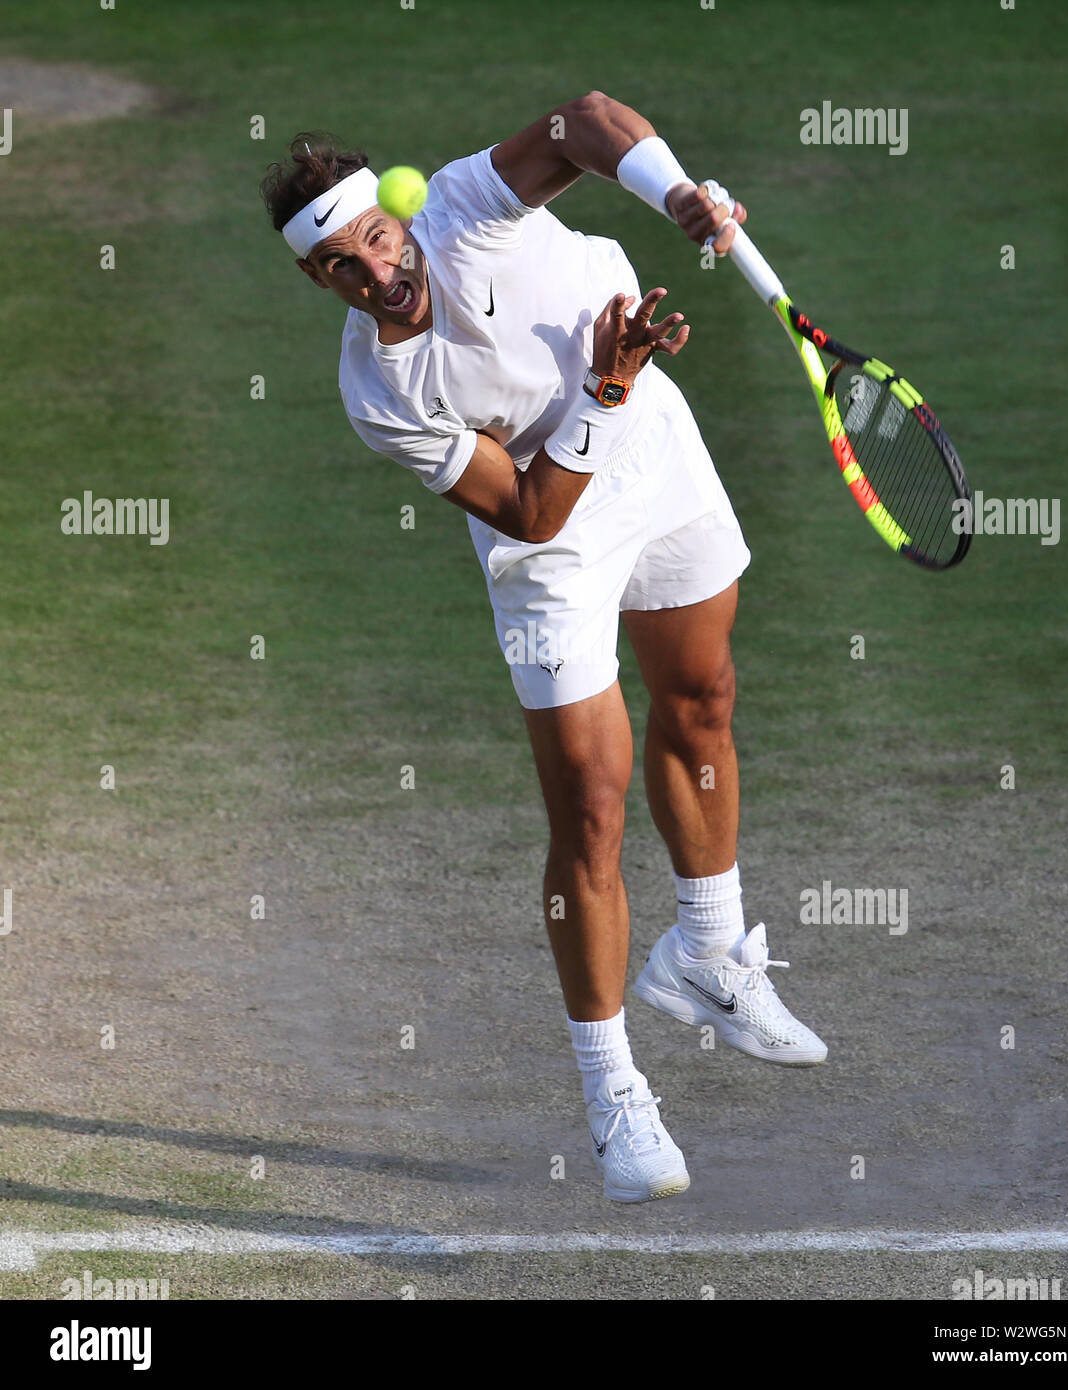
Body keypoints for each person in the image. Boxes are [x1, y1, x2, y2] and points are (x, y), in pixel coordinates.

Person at [260, 91, 826, 1204]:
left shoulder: (467, 204)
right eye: (342, 267)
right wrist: (603, 390)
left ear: (397, 214)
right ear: (318, 282)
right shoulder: (378, 390)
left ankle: (707, 952)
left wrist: (676, 196)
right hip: (551, 533)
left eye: (375, 238)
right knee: (591, 803)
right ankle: (614, 1092)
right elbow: (527, 513)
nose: (377, 273)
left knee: (703, 694)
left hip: (652, 456)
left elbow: (583, 122)